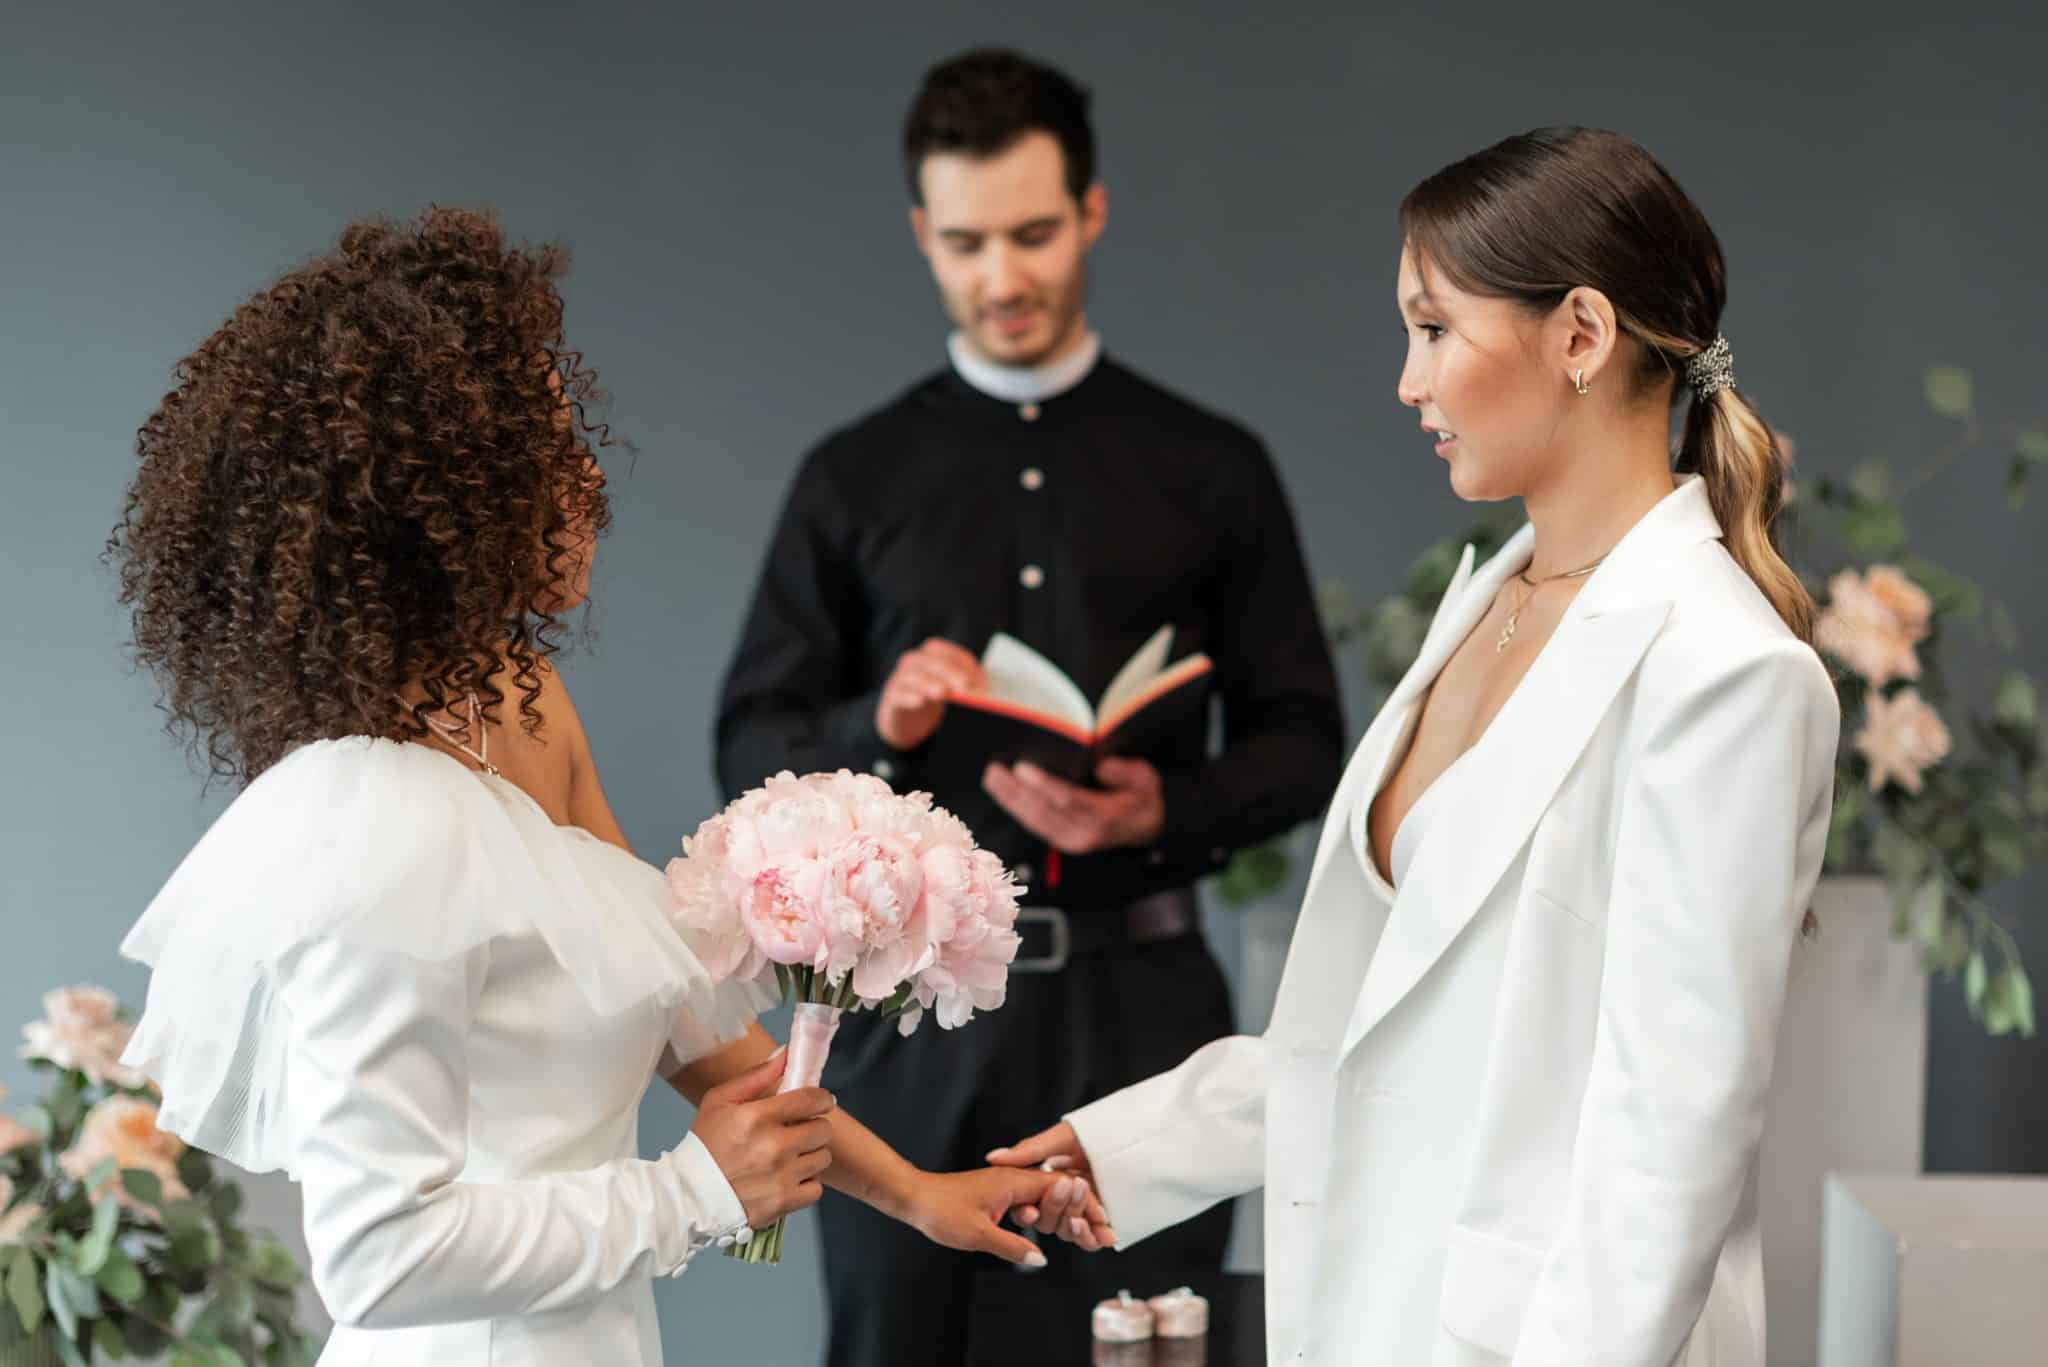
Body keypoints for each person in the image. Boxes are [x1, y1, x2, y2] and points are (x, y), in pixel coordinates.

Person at [108, 207, 1069, 1367]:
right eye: (549, 454)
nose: (584, 481)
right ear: (442, 505)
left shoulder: (521, 701)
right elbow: (379, 1255)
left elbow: (682, 1022)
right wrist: (692, 1194)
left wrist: (919, 1194)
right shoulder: (373, 825)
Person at [995, 127, 1842, 1367]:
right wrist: (1132, 1147)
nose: (1406, 380)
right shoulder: (1484, 610)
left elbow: (1670, 1139)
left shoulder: (1727, 673)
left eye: (1433, 328)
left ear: (1581, 336)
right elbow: (1382, 1024)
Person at [714, 48, 1343, 1367]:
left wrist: (1166, 803)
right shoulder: (854, 474)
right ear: (920, 237)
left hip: (1149, 1009)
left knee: (1153, 1349)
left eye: (1035, 233)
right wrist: (875, 726)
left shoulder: (1212, 465)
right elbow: (749, 742)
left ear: (1093, 213)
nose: (1003, 276)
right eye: (966, 241)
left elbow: (1305, 739)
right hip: (910, 1036)